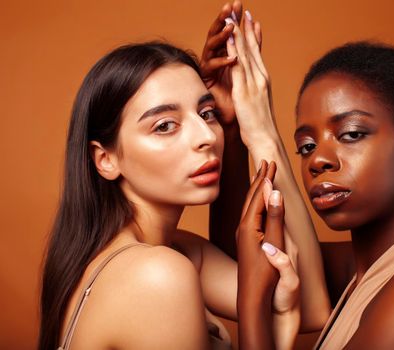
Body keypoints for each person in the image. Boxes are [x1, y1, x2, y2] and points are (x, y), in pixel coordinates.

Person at [39, 3, 329, 350]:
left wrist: (256, 130)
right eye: (164, 126)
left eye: (206, 113)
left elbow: (313, 308)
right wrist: (270, 326)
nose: (206, 136)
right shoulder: (156, 276)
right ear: (105, 159)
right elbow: (286, 312)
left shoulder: (178, 251)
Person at [220, 17, 394, 350]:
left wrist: (253, 308)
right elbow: (243, 259)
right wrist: (232, 127)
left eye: (351, 134)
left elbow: (251, 283)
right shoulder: (369, 265)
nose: (319, 160)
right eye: (306, 146)